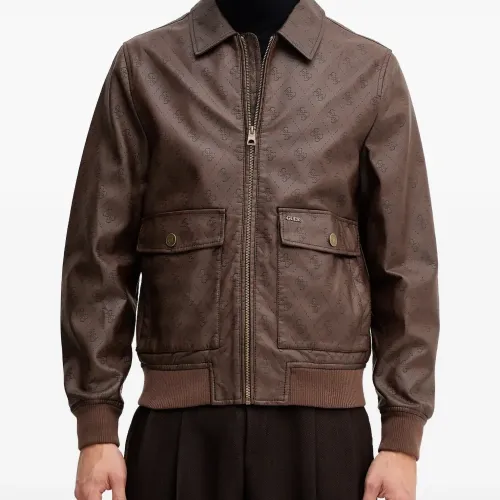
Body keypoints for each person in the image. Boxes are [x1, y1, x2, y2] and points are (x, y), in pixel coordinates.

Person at [60, 0, 440, 499]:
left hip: (325, 431)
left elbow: (406, 265)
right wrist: (96, 424)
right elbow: (98, 254)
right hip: (178, 428)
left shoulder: (369, 72)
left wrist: (402, 436)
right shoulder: (145, 67)